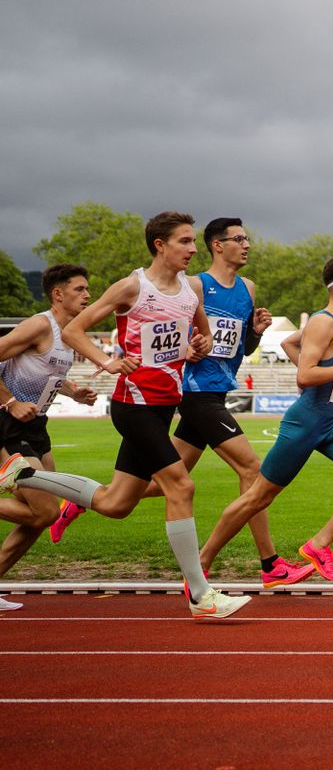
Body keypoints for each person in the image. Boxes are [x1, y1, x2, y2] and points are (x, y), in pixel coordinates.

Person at [5, 212, 247, 620]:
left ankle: (24, 475)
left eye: (192, 242)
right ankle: (200, 596)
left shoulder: (191, 291)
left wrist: (198, 346)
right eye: (185, 242)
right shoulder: (133, 287)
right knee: (181, 487)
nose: (192, 250)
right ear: (160, 245)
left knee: (116, 503)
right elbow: (73, 331)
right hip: (133, 406)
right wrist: (107, 360)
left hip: (164, 406)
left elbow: (197, 336)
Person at [55, 218, 313, 589]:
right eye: (239, 238)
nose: (248, 245)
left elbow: (234, 349)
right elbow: (171, 332)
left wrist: (254, 333)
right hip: (194, 395)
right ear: (217, 245)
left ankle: (86, 499)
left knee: (161, 484)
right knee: (251, 472)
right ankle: (264, 564)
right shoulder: (193, 285)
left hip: (216, 390)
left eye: (248, 238)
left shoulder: (247, 289)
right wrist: (126, 357)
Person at [196, 254, 333, 585]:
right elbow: (305, 375)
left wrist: (329, 369)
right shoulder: (323, 322)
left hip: (330, 423)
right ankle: (202, 561)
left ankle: (318, 546)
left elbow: (290, 342)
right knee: (258, 497)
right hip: (305, 424)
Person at [0, 263, 98, 607]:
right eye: (80, 289)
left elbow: (45, 373)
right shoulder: (39, 325)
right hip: (8, 423)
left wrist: (73, 392)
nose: (88, 296)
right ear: (58, 294)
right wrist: (11, 401)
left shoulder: (68, 333)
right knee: (45, 511)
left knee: (45, 515)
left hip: (37, 426)